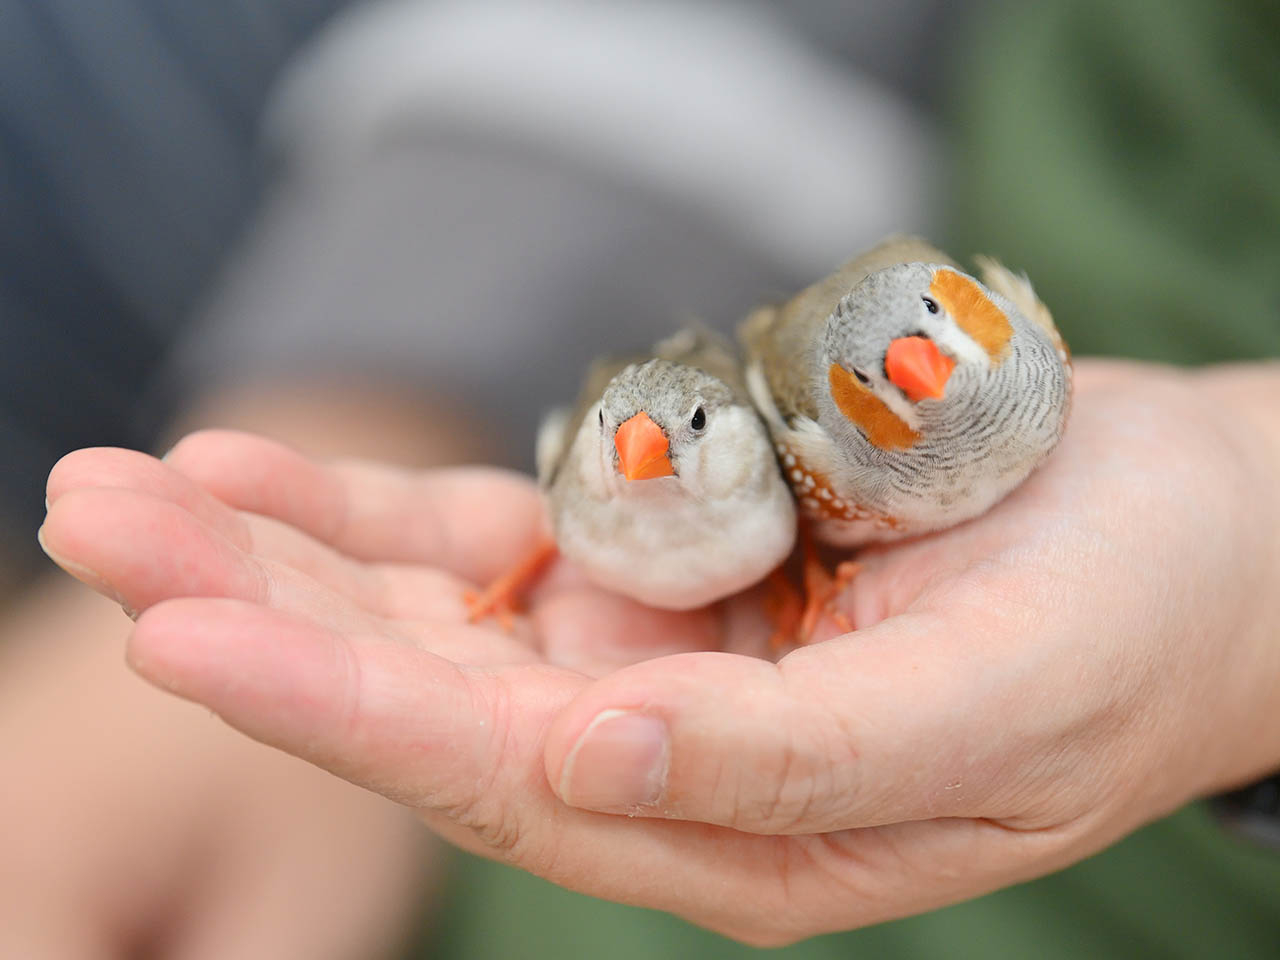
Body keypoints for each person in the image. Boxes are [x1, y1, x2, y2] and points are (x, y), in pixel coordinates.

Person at [11, 1, 1280, 957]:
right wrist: (377, 392)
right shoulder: (795, 429)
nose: (925, 364)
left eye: (946, 339)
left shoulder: (918, 408)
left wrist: (1246, 580)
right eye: (900, 360)